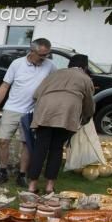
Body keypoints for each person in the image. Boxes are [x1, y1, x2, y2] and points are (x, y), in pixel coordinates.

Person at [0, 38, 56, 185]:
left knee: (26, 143)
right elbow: (5, 85)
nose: (45, 57)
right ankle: (3, 170)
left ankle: (22, 174)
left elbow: (54, 88)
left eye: (47, 54)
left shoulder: (50, 66)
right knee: (2, 140)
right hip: (12, 108)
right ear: (32, 51)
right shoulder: (17, 64)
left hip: (33, 111)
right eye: (42, 54)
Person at [29, 54, 95, 195]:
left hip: (45, 113)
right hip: (66, 115)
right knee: (56, 149)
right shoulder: (85, 78)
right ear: (85, 67)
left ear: (69, 64)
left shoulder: (54, 74)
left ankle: (32, 186)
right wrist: (87, 117)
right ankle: (49, 187)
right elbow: (89, 103)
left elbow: (36, 94)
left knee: (40, 148)